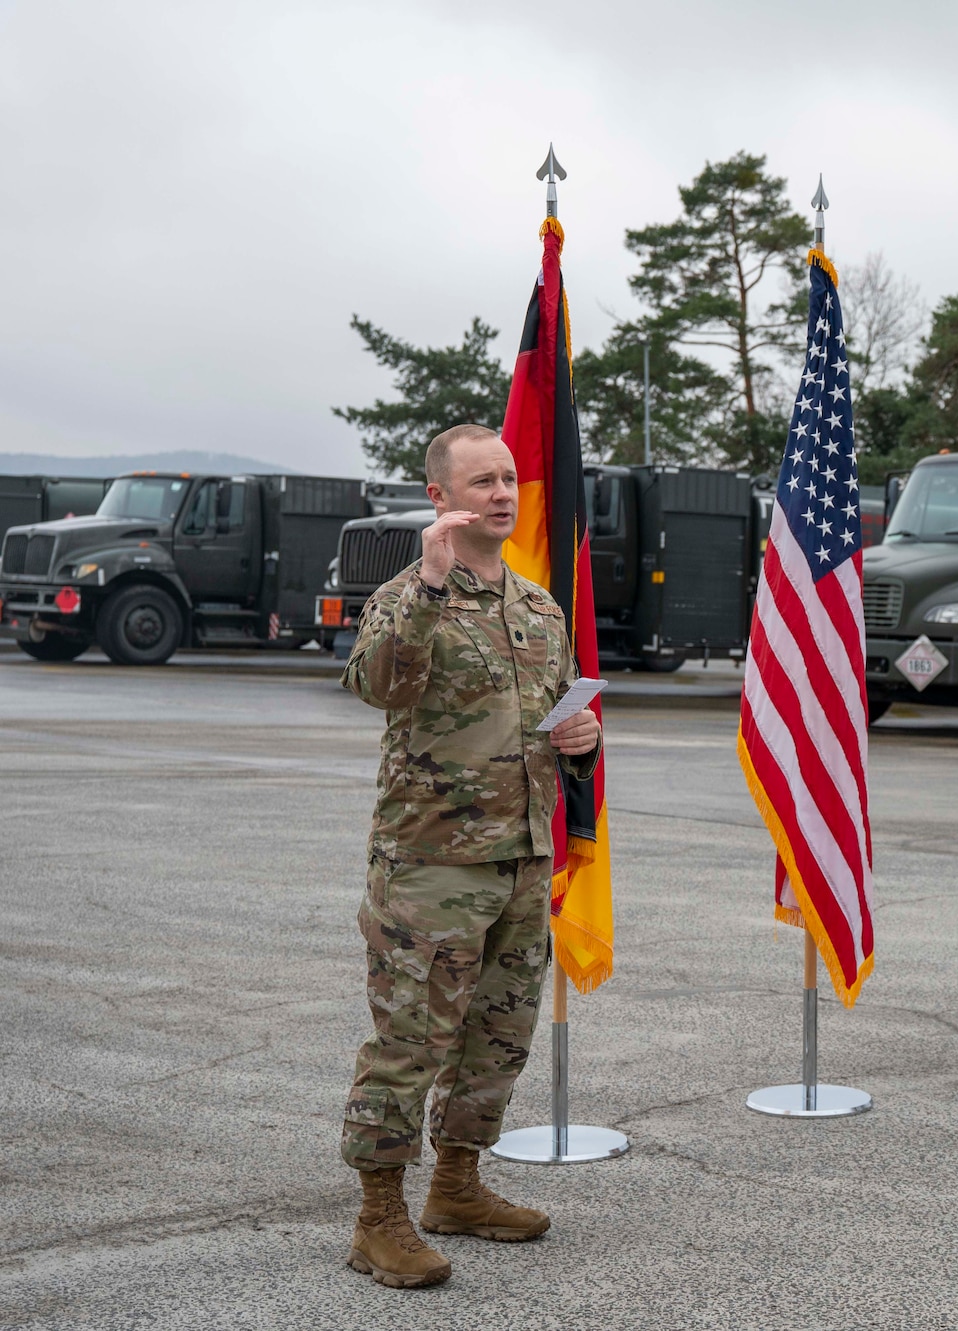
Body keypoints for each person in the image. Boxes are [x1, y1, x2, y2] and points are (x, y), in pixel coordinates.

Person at [338, 423, 602, 1288]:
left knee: (498, 1037)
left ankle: (457, 1186)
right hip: (431, 866)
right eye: (481, 480)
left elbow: (555, 723)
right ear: (441, 499)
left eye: (510, 477)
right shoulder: (406, 594)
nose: (501, 492)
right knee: (411, 1041)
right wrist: (429, 581)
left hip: (522, 859)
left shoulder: (538, 607)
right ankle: (379, 1218)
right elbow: (378, 683)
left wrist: (583, 738)